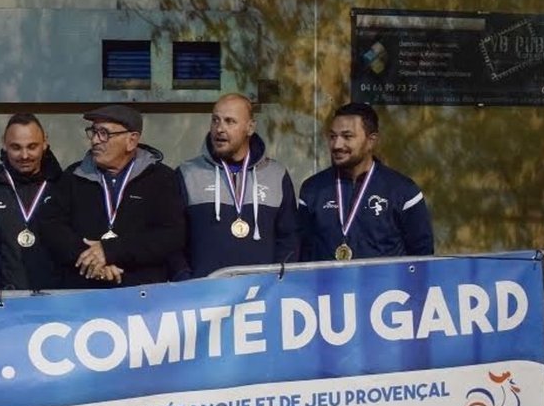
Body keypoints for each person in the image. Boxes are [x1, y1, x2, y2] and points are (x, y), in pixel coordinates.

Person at [41, 105, 186, 287]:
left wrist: (111, 251)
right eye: (93, 132)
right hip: (84, 290)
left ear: (131, 140)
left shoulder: (161, 179)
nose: (95, 140)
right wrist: (90, 258)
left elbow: (170, 236)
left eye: (104, 133)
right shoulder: (74, 176)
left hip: (142, 292)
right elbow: (53, 227)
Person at [177, 94, 298, 278]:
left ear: (250, 127)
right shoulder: (188, 173)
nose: (219, 129)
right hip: (204, 291)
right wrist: (185, 279)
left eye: (230, 121)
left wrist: (278, 281)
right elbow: (173, 240)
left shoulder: (276, 174)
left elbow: (289, 238)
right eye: (215, 120)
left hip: (263, 291)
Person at [298, 102, 433, 261]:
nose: (337, 145)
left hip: (384, 278)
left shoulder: (402, 191)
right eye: (333, 136)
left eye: (347, 136)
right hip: (327, 278)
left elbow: (422, 258)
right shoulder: (312, 189)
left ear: (371, 141)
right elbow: (302, 251)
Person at [0, 113, 64, 290]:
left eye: (32, 147)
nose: (24, 155)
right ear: (4, 144)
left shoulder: (63, 187)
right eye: (16, 147)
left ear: (45, 143)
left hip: (55, 298)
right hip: (4, 298)